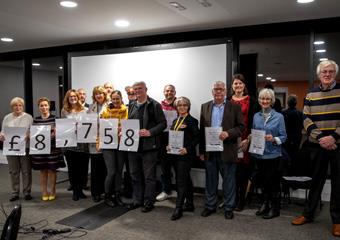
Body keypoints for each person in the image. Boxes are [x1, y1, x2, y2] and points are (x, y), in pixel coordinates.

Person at [291, 60, 340, 237]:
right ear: (319, 74)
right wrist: (321, 138)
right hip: (319, 145)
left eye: (331, 72)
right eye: (324, 72)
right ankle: (308, 214)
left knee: (338, 184)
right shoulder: (311, 94)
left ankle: (337, 220)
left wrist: (333, 137)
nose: (327, 74)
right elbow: (306, 118)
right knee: (316, 181)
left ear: (335, 73)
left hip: (337, 145)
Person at [199, 81, 244, 220]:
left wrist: (228, 133)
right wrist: (201, 151)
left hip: (227, 149)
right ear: (212, 91)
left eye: (221, 89)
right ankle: (210, 205)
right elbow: (202, 131)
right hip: (210, 150)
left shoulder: (234, 107)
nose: (218, 92)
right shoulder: (205, 106)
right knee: (210, 180)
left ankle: (229, 207)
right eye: (216, 89)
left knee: (229, 180)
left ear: (225, 91)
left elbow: (241, 127)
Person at [126, 81, 167, 212]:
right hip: (133, 146)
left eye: (140, 89)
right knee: (134, 174)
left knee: (149, 176)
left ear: (146, 89)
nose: (137, 91)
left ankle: (149, 201)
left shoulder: (155, 105)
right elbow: (128, 123)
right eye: (135, 89)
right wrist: (123, 131)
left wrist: (150, 132)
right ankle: (137, 200)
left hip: (149, 147)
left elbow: (163, 124)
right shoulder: (131, 105)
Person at [249, 88, 287, 219]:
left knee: (273, 183)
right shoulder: (256, 116)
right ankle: (265, 204)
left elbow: (283, 137)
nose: (264, 101)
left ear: (272, 101)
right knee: (263, 183)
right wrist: (249, 137)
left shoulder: (279, 117)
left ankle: (275, 208)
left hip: (273, 155)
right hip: (258, 155)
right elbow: (254, 133)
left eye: (267, 99)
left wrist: (274, 139)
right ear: (259, 100)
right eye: (262, 99)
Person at [167, 96, 199, 221]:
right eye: (179, 105)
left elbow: (197, 137)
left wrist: (188, 148)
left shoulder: (192, 121)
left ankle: (178, 208)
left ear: (188, 107)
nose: (182, 107)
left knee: (180, 181)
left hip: (185, 155)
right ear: (176, 107)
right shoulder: (175, 121)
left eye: (185, 105)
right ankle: (190, 204)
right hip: (175, 154)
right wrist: (169, 145)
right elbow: (173, 136)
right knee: (185, 178)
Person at [230, 74, 257, 211]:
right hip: (230, 140)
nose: (238, 86)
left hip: (245, 140)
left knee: (242, 172)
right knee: (231, 172)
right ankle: (231, 199)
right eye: (235, 83)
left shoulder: (251, 101)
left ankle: (241, 200)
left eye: (240, 83)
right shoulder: (228, 100)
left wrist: (249, 139)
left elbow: (256, 121)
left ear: (244, 86)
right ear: (232, 86)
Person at [31, 97, 64, 201]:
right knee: (43, 171)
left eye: (45, 105)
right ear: (39, 107)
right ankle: (44, 191)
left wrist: (56, 133)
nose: (44, 107)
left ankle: (53, 190)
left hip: (53, 149)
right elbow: (33, 134)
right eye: (41, 105)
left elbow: (61, 133)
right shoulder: (36, 119)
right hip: (40, 149)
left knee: (52, 170)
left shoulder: (55, 119)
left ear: (49, 106)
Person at [0, 97, 33, 201]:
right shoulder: (7, 118)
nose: (18, 107)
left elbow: (33, 131)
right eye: (15, 105)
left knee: (26, 170)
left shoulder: (29, 117)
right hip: (11, 148)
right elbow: (3, 131)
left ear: (22, 107)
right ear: (12, 107)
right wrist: (1, 134)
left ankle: (27, 192)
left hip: (25, 147)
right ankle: (15, 193)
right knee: (13, 171)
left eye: (20, 105)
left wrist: (29, 134)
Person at [101, 90, 128, 207]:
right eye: (114, 99)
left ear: (121, 98)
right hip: (108, 144)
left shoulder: (126, 110)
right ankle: (107, 196)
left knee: (119, 171)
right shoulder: (105, 111)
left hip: (121, 144)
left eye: (118, 98)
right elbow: (100, 127)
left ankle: (117, 195)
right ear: (111, 99)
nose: (116, 101)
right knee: (111, 172)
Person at [61, 89, 88, 201]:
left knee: (83, 169)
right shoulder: (64, 111)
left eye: (74, 96)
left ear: (78, 97)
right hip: (70, 144)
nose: (73, 98)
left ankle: (81, 190)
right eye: (70, 97)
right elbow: (63, 126)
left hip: (83, 143)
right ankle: (75, 191)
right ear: (68, 98)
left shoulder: (85, 110)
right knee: (72, 169)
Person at [157, 84, 177, 202]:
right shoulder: (159, 106)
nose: (169, 93)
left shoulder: (179, 103)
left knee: (178, 166)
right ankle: (166, 190)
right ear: (164, 92)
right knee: (165, 166)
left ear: (175, 92)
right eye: (167, 91)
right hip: (163, 138)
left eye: (171, 91)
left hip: (177, 137)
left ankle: (181, 191)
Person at [87, 86, 107, 203]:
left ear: (104, 94)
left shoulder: (109, 105)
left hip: (107, 140)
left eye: (100, 93)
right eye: (96, 94)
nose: (98, 95)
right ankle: (96, 193)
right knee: (95, 169)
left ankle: (105, 191)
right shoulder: (91, 107)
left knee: (105, 168)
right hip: (94, 142)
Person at [282, 94, 303, 176]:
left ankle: (285, 177)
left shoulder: (283, 113)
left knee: (286, 159)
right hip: (297, 139)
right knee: (294, 158)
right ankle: (294, 178)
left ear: (287, 103)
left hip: (286, 139)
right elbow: (302, 126)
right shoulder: (300, 113)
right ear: (296, 103)